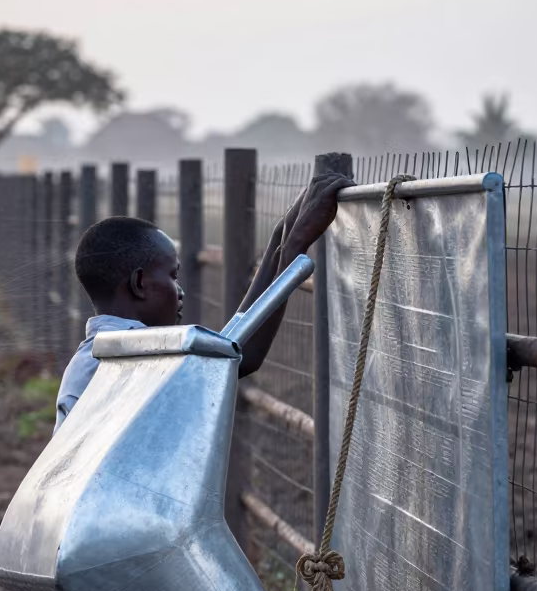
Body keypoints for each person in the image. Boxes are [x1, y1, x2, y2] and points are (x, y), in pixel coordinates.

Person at [54, 170, 351, 431]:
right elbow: (237, 358)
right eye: (172, 276)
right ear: (140, 283)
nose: (179, 290)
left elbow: (229, 347)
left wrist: (279, 240)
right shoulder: (132, 362)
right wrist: (295, 247)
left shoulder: (96, 357)